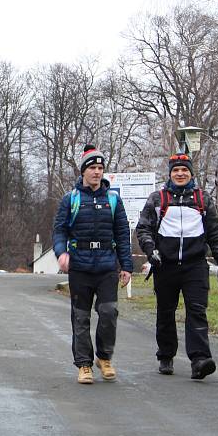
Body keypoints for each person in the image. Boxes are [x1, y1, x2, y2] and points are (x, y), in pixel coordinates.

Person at [135, 153, 218, 379]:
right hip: (165, 266)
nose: (180, 174)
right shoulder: (157, 199)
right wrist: (150, 251)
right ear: (170, 174)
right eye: (176, 170)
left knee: (197, 311)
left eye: (184, 170)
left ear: (191, 173)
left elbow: (215, 233)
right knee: (166, 312)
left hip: (195, 265)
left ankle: (200, 360)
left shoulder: (203, 199)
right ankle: (166, 356)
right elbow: (143, 228)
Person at [53, 145, 133, 384]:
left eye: (100, 168)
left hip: (107, 266)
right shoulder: (71, 200)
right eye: (92, 168)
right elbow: (59, 231)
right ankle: (84, 364)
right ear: (83, 171)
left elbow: (122, 234)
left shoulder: (113, 200)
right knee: (80, 318)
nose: (97, 172)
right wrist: (61, 253)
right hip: (80, 267)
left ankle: (104, 357)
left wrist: (126, 266)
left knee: (109, 312)